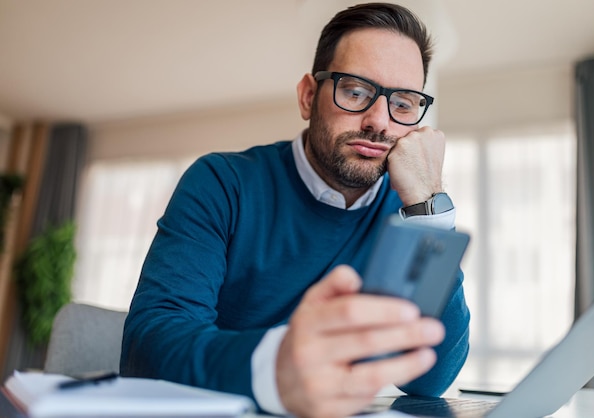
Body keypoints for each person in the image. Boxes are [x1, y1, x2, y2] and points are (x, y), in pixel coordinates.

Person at [120, 3, 470, 417]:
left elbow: (430, 379)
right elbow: (148, 348)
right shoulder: (221, 183)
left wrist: (430, 211)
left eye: (405, 103)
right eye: (356, 91)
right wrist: (276, 367)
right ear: (308, 96)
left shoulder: (409, 216)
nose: (380, 122)